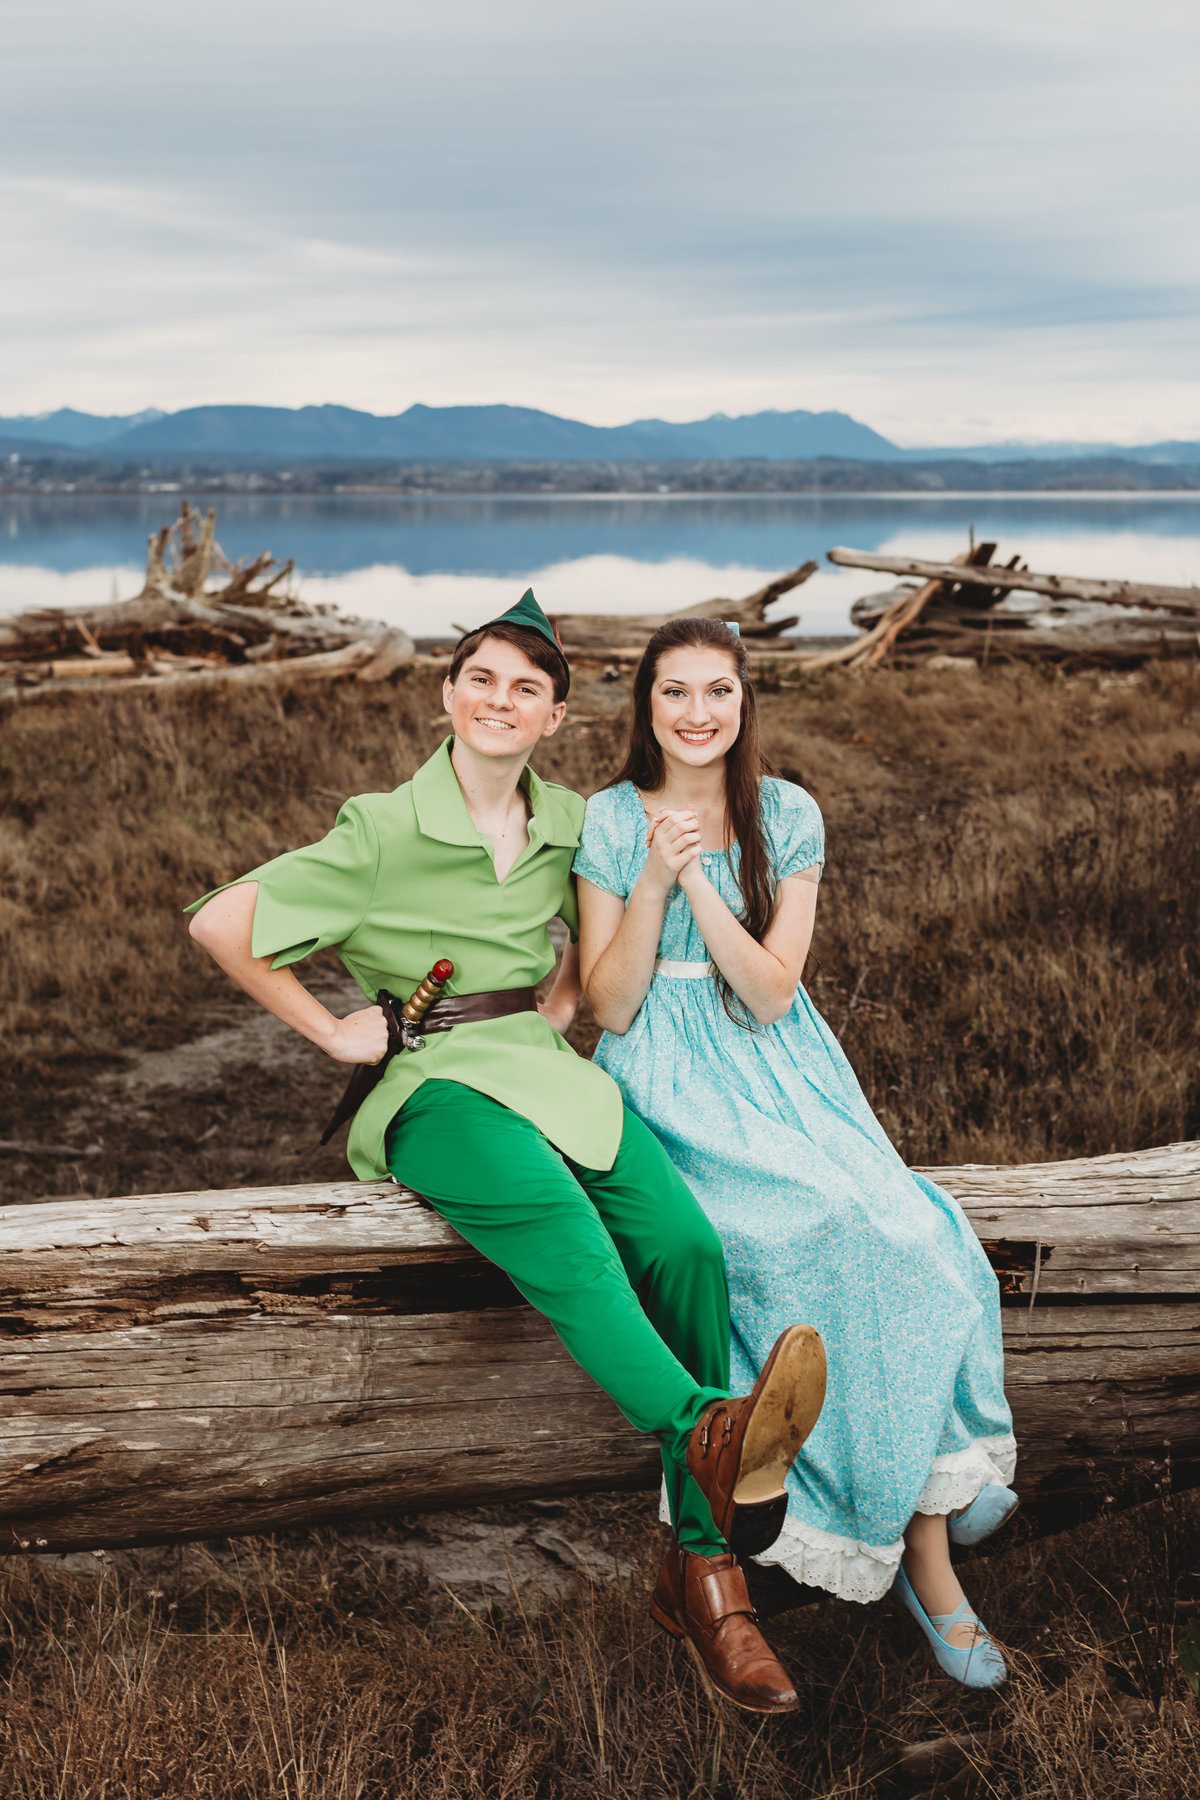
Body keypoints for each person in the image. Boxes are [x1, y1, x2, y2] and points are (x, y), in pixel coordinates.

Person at [185, 591, 828, 1715]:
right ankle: (708, 1462)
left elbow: (591, 937)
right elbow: (219, 924)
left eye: (526, 688)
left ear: (554, 718)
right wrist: (336, 1031)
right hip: (437, 1088)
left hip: (545, 1068)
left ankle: (693, 1563)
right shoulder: (379, 829)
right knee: (569, 1235)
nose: (500, 699)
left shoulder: (571, 820)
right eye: (480, 678)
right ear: (447, 694)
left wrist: (564, 994)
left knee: (684, 1244)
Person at [575, 617, 1016, 1691]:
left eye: (717, 691)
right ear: (645, 706)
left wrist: (703, 883)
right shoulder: (608, 817)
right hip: (668, 1080)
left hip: (779, 1065)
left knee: (908, 1223)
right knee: (807, 1231)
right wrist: (651, 882)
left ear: (744, 701)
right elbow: (611, 1004)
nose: (696, 713)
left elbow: (772, 993)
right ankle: (926, 1546)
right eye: (673, 692)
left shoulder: (786, 812)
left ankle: (934, 1491)